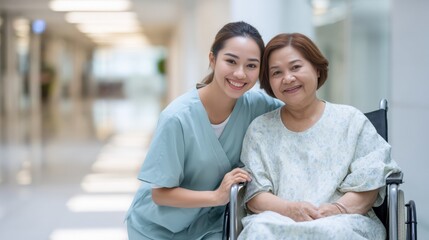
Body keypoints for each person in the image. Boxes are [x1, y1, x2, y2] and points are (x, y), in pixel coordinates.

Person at [125, 21, 283, 240]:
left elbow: (296, 110)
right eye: (231, 61)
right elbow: (160, 194)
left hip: (210, 226)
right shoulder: (177, 118)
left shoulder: (258, 106)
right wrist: (217, 197)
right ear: (212, 59)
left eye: (251, 65)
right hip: (158, 228)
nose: (240, 74)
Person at [237, 33, 400, 240]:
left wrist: (337, 209)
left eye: (296, 67)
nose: (287, 78)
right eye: (276, 72)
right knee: (259, 231)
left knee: (334, 232)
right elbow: (255, 196)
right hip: (278, 220)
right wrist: (290, 210)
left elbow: (370, 181)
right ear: (269, 82)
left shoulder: (350, 120)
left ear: (316, 69)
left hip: (344, 219)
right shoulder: (260, 129)